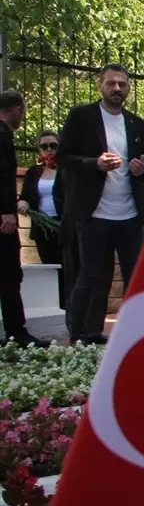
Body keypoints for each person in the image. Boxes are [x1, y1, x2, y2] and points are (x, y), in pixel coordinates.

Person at [58, 63, 144, 345]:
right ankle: (81, 334)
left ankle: (134, 333)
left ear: (129, 88)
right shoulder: (81, 117)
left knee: (134, 276)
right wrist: (95, 164)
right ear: (100, 85)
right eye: (111, 83)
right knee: (92, 275)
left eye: (122, 84)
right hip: (94, 211)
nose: (116, 89)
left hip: (130, 213)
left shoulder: (137, 123)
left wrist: (141, 170)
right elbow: (64, 157)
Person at [0, 91, 50, 347]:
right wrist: (6, 211)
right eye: (24, 110)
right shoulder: (2, 135)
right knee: (9, 273)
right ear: (16, 108)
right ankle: (16, 332)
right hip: (3, 219)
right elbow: (3, 176)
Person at [18, 130, 67, 309]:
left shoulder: (65, 170)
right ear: (39, 148)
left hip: (63, 225)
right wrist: (22, 203)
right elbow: (25, 196)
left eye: (53, 145)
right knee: (51, 268)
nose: (49, 149)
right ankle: (57, 309)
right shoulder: (33, 172)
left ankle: (69, 310)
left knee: (67, 269)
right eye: (44, 146)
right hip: (42, 227)